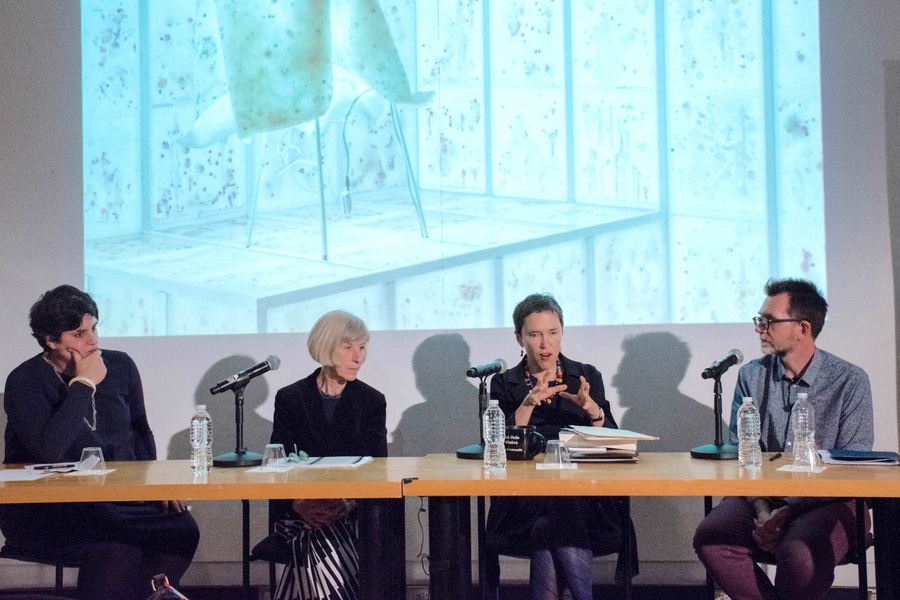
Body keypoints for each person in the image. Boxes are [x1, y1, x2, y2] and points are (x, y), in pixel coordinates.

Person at [1, 285, 199, 600]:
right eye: (79, 334)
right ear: (50, 340)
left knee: (181, 529)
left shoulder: (121, 365)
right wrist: (83, 384)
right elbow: (48, 450)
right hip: (51, 506)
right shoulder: (25, 380)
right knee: (118, 546)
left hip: (117, 499)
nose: (92, 340)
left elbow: (140, 433)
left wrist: (157, 486)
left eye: (94, 328)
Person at [694, 278, 874, 600]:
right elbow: (742, 450)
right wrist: (763, 508)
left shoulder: (850, 380)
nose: (759, 328)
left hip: (832, 499)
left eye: (768, 321)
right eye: (758, 320)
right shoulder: (751, 375)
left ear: (802, 328)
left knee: (799, 552)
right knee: (712, 537)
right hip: (763, 495)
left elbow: (853, 467)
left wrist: (788, 511)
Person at [485, 293, 635, 600]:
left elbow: (614, 444)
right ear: (519, 338)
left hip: (587, 501)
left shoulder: (585, 377)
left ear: (562, 333)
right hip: (521, 502)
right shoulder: (503, 384)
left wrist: (593, 411)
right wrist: (527, 404)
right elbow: (495, 445)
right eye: (535, 334)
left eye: (553, 333)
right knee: (551, 510)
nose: (545, 344)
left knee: (548, 523)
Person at [269, 310, 387, 600]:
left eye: (362, 348)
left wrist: (345, 503)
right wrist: (300, 504)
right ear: (325, 346)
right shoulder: (290, 398)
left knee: (318, 540)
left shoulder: (371, 401)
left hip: (352, 510)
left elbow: (379, 468)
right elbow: (277, 463)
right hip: (298, 511)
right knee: (315, 535)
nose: (358, 357)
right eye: (348, 347)